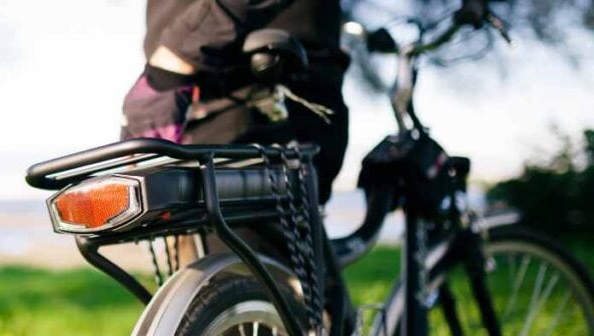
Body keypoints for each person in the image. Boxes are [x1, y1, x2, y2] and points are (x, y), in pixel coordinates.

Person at [121, 0, 492, 204]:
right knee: (255, 301)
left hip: (216, 97)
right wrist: (180, 54)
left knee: (247, 297)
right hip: (237, 100)